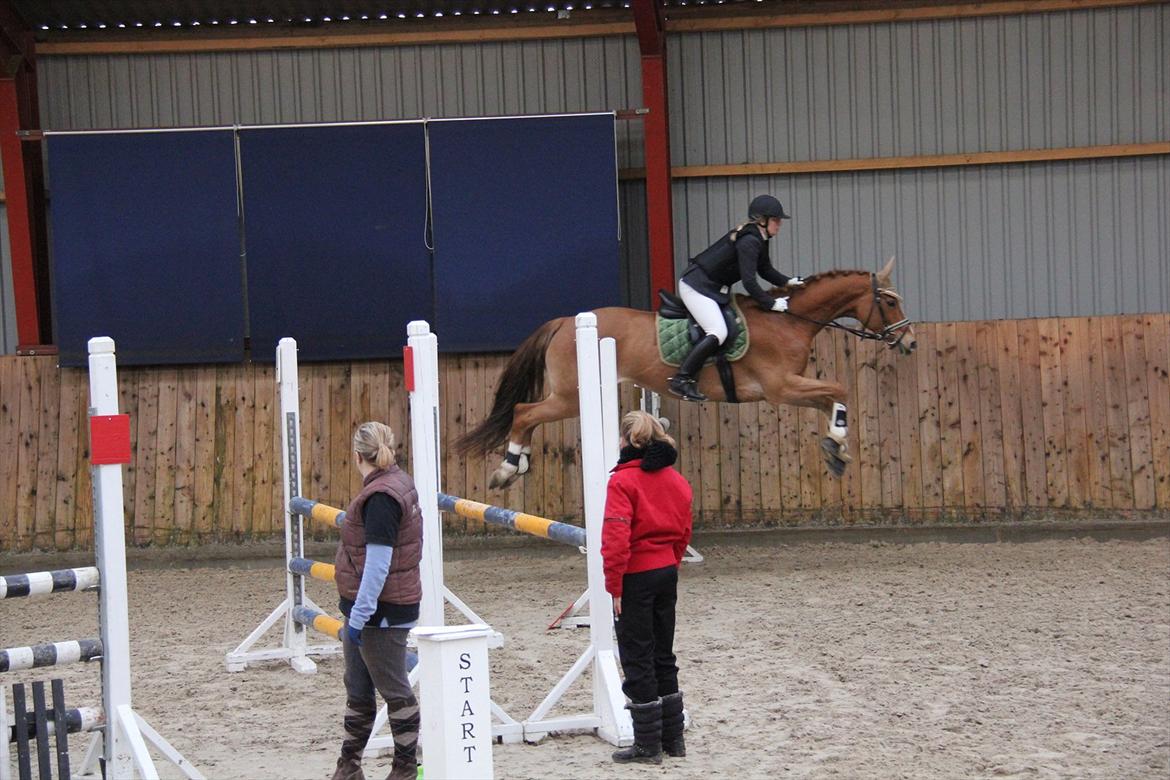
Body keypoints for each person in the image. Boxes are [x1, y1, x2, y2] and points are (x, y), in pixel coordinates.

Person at [330, 422, 423, 780]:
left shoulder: (381, 498)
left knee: (395, 690)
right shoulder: (397, 483)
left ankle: (405, 768)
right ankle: (348, 766)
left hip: (378, 612)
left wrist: (359, 617)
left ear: (357, 456)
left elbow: (378, 566)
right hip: (369, 608)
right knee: (358, 689)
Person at [602, 411, 694, 765]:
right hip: (665, 571)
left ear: (627, 441)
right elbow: (684, 531)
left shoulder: (623, 482)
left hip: (635, 576)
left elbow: (615, 537)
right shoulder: (676, 480)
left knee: (637, 656)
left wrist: (615, 586)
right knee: (663, 654)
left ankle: (647, 746)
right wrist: (670, 562)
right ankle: (674, 739)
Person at [668, 193, 806, 402]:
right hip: (696, 286)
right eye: (776, 220)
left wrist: (787, 282)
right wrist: (771, 303)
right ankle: (681, 379)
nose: (779, 225)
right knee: (718, 331)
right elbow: (750, 283)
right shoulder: (749, 241)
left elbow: (765, 269)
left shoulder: (759, 238)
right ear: (763, 220)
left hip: (713, 288)